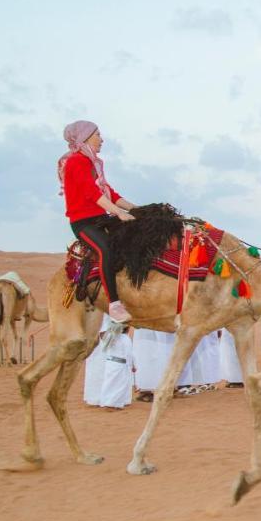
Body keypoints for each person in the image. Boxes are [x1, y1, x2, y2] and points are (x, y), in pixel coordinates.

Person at [59, 120, 138, 323]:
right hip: (83, 222)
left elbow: (109, 192)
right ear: (85, 137)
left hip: (101, 217)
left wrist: (136, 209)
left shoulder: (93, 163)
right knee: (106, 249)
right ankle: (114, 304)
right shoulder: (76, 162)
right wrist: (118, 213)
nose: (101, 139)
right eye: (98, 135)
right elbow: (92, 194)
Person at [132, 328, 175, 402]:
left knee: (160, 357)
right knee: (144, 357)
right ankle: (145, 391)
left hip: (159, 331)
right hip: (144, 334)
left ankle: (161, 389)